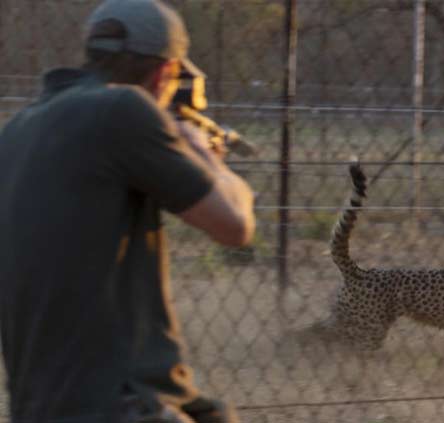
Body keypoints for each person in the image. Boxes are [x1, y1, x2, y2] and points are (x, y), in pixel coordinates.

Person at [0, 0, 255, 422]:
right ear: (165, 73)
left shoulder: (19, 128)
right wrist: (201, 149)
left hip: (39, 405)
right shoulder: (123, 110)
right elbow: (235, 226)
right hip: (117, 402)